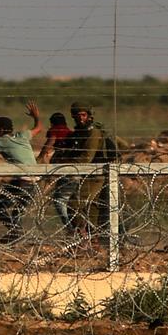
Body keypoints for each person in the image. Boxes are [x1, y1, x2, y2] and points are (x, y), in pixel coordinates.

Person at [0, 101, 42, 244]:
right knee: (16, 212)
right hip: (35, 181)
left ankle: (16, 234)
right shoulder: (22, 135)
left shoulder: (1, 141)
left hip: (23, 181)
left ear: (2, 130)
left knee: (0, 208)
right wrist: (36, 116)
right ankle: (15, 236)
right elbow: (39, 128)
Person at [59, 102, 109, 245]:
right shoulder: (80, 133)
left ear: (89, 115)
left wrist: (66, 162)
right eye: (77, 115)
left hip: (96, 173)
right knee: (92, 208)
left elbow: (86, 157)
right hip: (92, 173)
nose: (80, 118)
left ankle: (82, 238)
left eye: (83, 115)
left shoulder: (93, 132)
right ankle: (92, 242)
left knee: (74, 204)